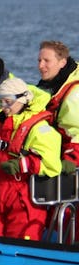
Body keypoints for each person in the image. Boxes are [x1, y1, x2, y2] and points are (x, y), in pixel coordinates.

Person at [0, 77, 62, 240]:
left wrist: (21, 164)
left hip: (23, 195)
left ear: (22, 100)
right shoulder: (2, 124)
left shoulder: (40, 130)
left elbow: (52, 165)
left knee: (18, 243)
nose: (3, 107)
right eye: (0, 102)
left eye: (7, 102)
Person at [36, 40, 79, 173]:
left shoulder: (74, 95)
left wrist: (71, 159)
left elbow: (75, 132)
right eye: (39, 61)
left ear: (62, 63)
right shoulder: (51, 85)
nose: (40, 66)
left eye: (46, 61)